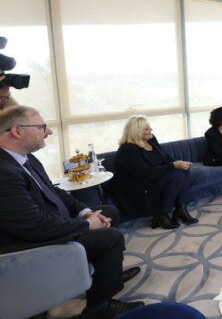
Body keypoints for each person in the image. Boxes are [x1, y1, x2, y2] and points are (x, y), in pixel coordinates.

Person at [0, 106, 144, 319]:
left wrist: (85, 213)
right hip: (31, 241)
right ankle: (97, 309)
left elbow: (53, 190)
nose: (49, 132)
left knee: (109, 212)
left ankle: (108, 275)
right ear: (17, 131)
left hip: (50, 220)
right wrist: (88, 225)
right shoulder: (4, 172)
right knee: (110, 238)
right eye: (42, 127)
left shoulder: (26, 159)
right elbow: (34, 226)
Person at [113, 115, 198, 230]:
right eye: (147, 129)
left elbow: (164, 156)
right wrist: (173, 165)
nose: (151, 130)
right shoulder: (128, 150)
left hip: (154, 178)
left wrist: (178, 163)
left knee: (183, 171)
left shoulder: (151, 140)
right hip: (140, 186)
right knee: (176, 174)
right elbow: (145, 174)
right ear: (136, 132)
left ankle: (181, 209)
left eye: (149, 127)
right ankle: (161, 214)